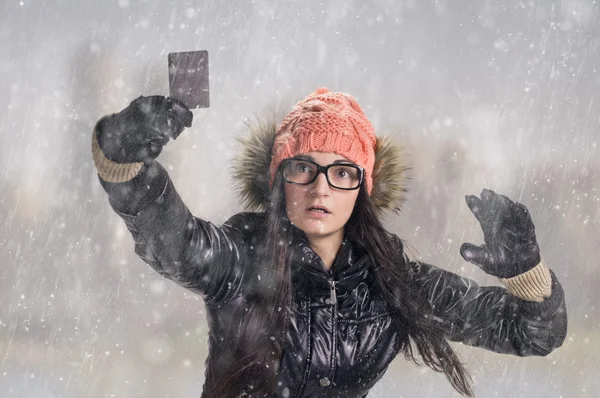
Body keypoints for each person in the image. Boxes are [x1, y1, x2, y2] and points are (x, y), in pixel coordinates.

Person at [91, 88, 567, 398]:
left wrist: (526, 271)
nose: (321, 188)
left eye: (341, 172)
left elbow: (533, 333)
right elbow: (169, 243)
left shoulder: (391, 282)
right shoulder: (240, 258)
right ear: (281, 179)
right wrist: (122, 155)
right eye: (304, 168)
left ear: (362, 188)